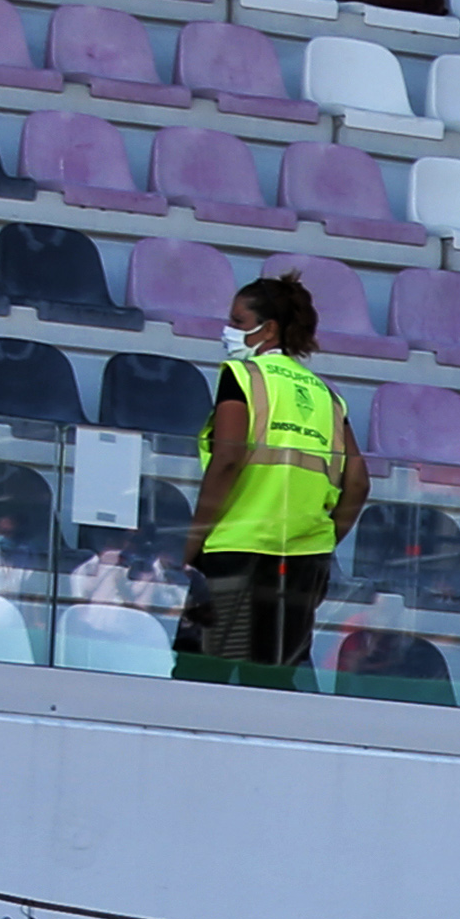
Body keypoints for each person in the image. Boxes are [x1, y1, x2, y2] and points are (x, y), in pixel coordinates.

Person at [178, 271, 363, 676]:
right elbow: (358, 483)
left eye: (238, 323)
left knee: (200, 681)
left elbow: (227, 459)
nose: (227, 332)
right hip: (303, 562)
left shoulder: (242, 377)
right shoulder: (327, 396)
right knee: (273, 686)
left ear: (269, 329)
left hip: (235, 551)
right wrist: (325, 538)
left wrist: (193, 542)